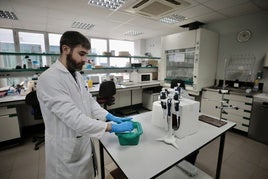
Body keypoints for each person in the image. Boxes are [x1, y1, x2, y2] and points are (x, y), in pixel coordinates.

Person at [36, 31, 134, 179]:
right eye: (81, 54)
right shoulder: (49, 78)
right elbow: (74, 118)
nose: (85, 59)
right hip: (65, 150)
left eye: (86, 55)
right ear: (65, 49)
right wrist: (110, 126)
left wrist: (108, 115)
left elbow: (88, 101)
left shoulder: (76, 75)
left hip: (82, 141)